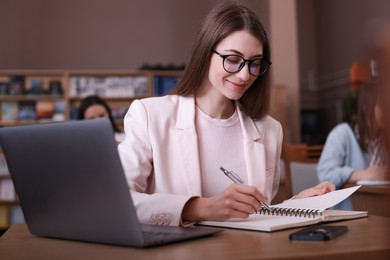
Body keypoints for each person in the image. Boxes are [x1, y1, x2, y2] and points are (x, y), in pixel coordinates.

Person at [118, 1, 334, 226]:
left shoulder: (270, 130)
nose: (244, 75)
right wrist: (198, 208)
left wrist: (298, 204)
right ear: (205, 52)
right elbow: (119, 201)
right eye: (232, 60)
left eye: (255, 63)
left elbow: (256, 213)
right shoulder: (149, 116)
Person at [317, 81, 388, 210]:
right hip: (348, 214)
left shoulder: (384, 140)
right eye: (383, 105)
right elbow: (325, 173)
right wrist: (364, 174)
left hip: (379, 210)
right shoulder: (342, 133)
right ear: (367, 107)